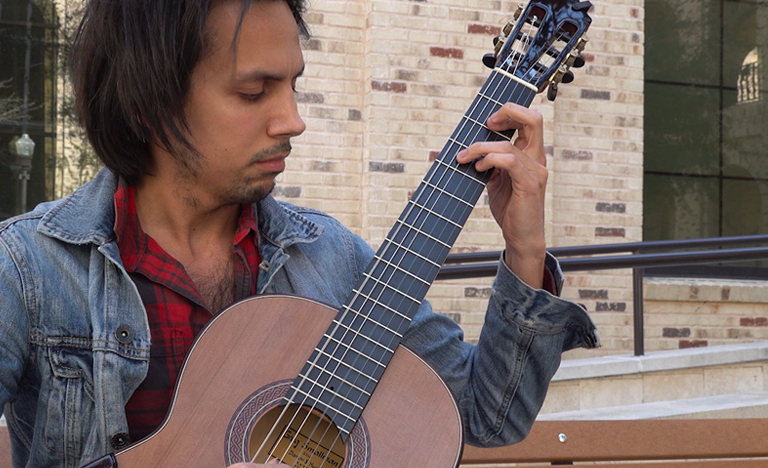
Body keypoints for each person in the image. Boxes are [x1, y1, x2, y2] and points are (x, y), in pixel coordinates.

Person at [0, 0, 598, 467]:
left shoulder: (331, 257)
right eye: (254, 92)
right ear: (146, 103)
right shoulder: (28, 270)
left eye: (294, 85)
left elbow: (487, 416)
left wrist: (524, 250)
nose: (293, 120)